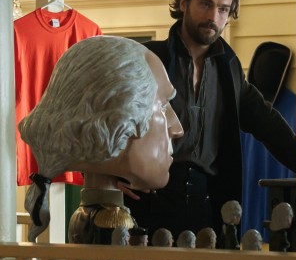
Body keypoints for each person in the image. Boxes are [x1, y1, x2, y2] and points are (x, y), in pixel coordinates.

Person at [122, 0, 296, 240]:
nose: (213, 16)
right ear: (184, 3)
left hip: (205, 203)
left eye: (223, 9)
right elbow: (105, 119)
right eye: (205, 4)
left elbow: (267, 123)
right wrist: (108, 178)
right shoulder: (149, 58)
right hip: (148, 199)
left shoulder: (229, 68)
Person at [19, 35, 184, 244]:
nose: (177, 129)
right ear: (120, 116)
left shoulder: (89, 214)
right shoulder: (110, 219)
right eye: (163, 106)